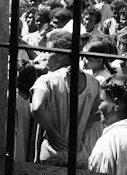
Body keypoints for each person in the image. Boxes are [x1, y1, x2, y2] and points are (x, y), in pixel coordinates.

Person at [30, 30, 101, 167]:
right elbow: (96, 115)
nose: (44, 56)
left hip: (52, 153)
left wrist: (51, 132)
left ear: (62, 54)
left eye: (48, 52)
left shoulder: (46, 80)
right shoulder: (94, 83)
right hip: (79, 155)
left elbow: (37, 107)